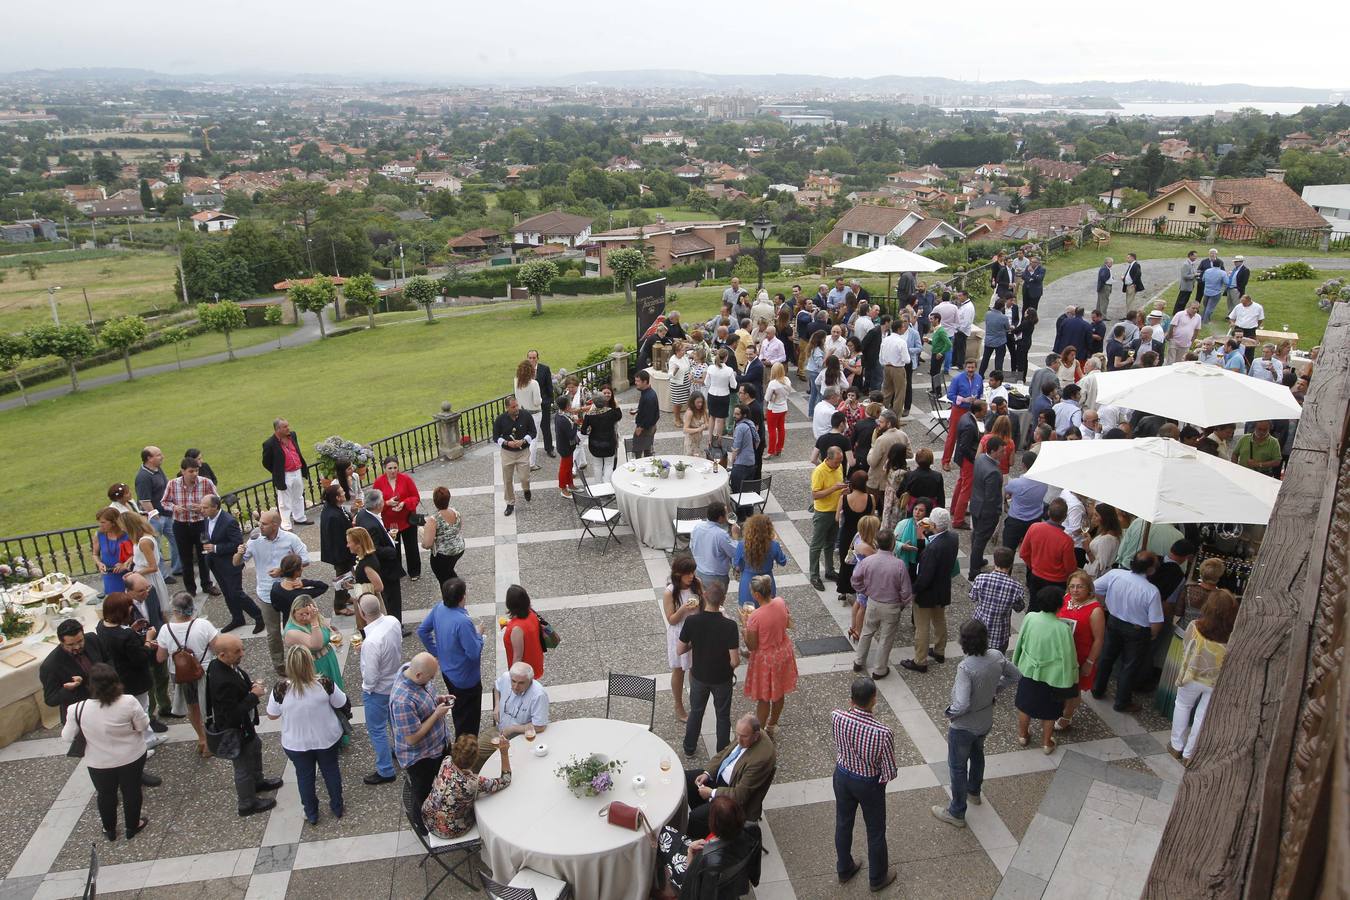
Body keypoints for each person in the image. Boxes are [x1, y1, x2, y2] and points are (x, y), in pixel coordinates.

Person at [932, 620, 1020, 828]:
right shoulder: (996, 656)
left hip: (964, 725)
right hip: (985, 719)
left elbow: (962, 703)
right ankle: (974, 792)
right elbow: (1015, 675)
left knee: (958, 767)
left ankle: (956, 811)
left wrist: (950, 713)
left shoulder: (966, 667)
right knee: (978, 753)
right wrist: (995, 690)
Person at [63, 663, 150, 841]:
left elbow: (67, 737)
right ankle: (132, 826)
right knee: (132, 791)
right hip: (131, 756)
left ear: (91, 685)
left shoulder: (76, 709)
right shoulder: (129, 701)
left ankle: (109, 829)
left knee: (105, 794)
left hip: (98, 762)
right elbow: (142, 725)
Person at [266, 645, 346, 826]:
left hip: (296, 743)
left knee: (304, 777)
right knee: (331, 771)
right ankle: (337, 806)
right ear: (310, 663)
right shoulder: (324, 683)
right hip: (327, 738)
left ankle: (311, 812)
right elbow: (341, 702)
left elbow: (272, 714)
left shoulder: (280, 689)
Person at [205, 633, 282, 817]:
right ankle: (247, 803)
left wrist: (249, 687)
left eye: (242, 648)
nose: (242, 653)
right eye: (237, 651)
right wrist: (253, 695)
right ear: (222, 655)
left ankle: (257, 782)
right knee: (243, 766)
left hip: (245, 727)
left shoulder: (220, 665)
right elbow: (231, 714)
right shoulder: (222, 680)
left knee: (255, 747)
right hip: (235, 731)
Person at [832, 677, 897, 890]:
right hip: (868, 783)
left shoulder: (837, 717)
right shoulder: (883, 733)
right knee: (875, 831)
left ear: (851, 700)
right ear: (874, 700)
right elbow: (889, 771)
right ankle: (877, 878)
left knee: (843, 822)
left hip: (842, 775)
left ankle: (844, 868)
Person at [235, 510, 311, 673]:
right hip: (266, 593)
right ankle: (279, 665)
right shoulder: (254, 541)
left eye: (264, 523)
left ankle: (299, 659)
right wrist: (240, 552)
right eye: (260, 522)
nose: (260, 526)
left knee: (295, 627)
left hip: (288, 591)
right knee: (273, 632)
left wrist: (282, 571)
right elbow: (236, 563)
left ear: (275, 525)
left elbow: (305, 559)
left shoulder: (290, 539)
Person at [1169, 590, 1237, 764]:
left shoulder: (1195, 626)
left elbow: (1186, 645)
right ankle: (1189, 754)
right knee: (1202, 716)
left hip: (1192, 675)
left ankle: (1177, 746)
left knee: (1183, 706)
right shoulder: (1234, 635)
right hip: (1216, 681)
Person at [1091, 553, 1165, 713]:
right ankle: (1122, 701)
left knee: (1106, 658)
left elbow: (1095, 587)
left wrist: (1103, 603)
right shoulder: (1151, 591)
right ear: (1151, 570)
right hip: (1137, 630)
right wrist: (1153, 634)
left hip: (1114, 621)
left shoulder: (1115, 574)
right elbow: (1156, 622)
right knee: (1129, 666)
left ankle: (1097, 689)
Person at [684, 714, 776, 838]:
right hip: (720, 780)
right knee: (686, 779)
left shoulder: (760, 759)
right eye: (737, 734)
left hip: (733, 799)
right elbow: (724, 753)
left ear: (756, 736)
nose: (738, 740)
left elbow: (740, 796)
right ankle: (710, 819)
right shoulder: (744, 735)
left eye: (743, 736)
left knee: (696, 817)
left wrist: (712, 793)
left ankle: (695, 846)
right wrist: (707, 773)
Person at [1011, 587, 1079, 754]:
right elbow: (1068, 657)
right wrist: (1073, 678)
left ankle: (1022, 735)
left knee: (1024, 705)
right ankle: (1047, 743)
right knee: (1049, 712)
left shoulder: (1030, 617)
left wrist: (1016, 661)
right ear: (1059, 605)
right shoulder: (1062, 629)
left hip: (1028, 669)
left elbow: (1020, 642)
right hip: (1052, 676)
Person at [676, 580, 740, 756]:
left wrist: (693, 645)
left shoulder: (692, 621)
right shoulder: (730, 626)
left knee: (696, 712)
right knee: (723, 716)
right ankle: (722, 752)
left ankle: (689, 748)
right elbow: (734, 660)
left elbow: (680, 649)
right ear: (723, 600)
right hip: (722, 678)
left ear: (704, 596)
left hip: (699, 677)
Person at [97, 592, 166, 754]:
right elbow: (140, 658)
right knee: (141, 711)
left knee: (137, 711)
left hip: (120, 677)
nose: (131, 609)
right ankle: (142, 745)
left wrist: (132, 630)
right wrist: (148, 640)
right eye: (129, 607)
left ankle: (148, 739)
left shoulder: (102, 626)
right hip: (136, 680)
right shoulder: (125, 635)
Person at [418, 578, 485, 738]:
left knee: (458, 710)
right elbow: (474, 653)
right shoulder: (463, 622)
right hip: (467, 679)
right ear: (463, 596)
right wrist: (479, 635)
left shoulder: (439, 608)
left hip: (448, 672)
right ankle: (465, 750)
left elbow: (422, 631)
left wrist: (437, 652)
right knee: (469, 720)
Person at [154, 591, 220, 756]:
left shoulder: (165, 629)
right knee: (209, 706)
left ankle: (202, 739)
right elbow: (217, 649)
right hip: (204, 671)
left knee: (193, 708)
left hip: (180, 674)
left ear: (175, 610)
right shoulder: (203, 625)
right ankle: (212, 738)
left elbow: (160, 657)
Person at [655, 794, 758, 898]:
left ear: (714, 823)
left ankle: (660, 884)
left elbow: (689, 882)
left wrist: (690, 852)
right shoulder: (753, 829)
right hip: (736, 882)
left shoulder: (706, 857)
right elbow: (755, 866)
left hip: (701, 885)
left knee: (664, 835)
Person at [390, 652, 453, 813]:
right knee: (423, 796)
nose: (432, 681)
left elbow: (424, 700)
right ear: (418, 675)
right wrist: (436, 714)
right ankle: (424, 825)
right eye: (430, 678)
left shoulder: (409, 670)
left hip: (438, 746)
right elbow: (412, 738)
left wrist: (438, 699)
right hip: (422, 758)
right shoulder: (402, 701)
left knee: (446, 784)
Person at [423, 732, 511, 840]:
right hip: (448, 830)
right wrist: (504, 753)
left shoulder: (446, 761)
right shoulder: (472, 783)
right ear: (474, 760)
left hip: (427, 816)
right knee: (488, 810)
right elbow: (506, 780)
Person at [851, 530, 914, 679]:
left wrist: (864, 591)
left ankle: (859, 661)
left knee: (867, 632)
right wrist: (902, 603)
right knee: (886, 638)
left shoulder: (868, 561)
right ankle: (879, 670)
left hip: (873, 602)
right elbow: (906, 590)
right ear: (892, 544)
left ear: (877, 544)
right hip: (892, 606)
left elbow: (855, 579)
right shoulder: (899, 564)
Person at [741, 575, 798, 738]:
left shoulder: (755, 617)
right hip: (783, 652)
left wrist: (745, 629)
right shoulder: (780, 601)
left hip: (766, 659)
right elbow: (786, 622)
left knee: (764, 698)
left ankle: (758, 734)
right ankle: (772, 724)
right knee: (778, 693)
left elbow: (752, 646)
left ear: (757, 595)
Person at [357, 593, 403, 787]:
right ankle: (401, 752)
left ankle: (385, 769)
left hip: (378, 690)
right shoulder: (392, 621)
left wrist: (366, 689)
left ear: (361, 612)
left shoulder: (371, 642)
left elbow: (371, 676)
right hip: (395, 681)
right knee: (395, 722)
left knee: (377, 730)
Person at [906, 508, 959, 673]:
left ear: (934, 525)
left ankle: (920, 661)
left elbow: (925, 577)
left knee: (922, 627)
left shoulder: (932, 550)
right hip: (942, 588)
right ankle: (939, 651)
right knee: (939, 620)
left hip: (927, 593)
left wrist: (913, 591)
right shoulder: (953, 537)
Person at [1055, 570, 1106, 732]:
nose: (1075, 590)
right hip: (1062, 653)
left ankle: (1067, 717)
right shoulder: (1067, 598)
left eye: (1080, 587)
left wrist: (1090, 662)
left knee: (1074, 689)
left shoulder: (1095, 610)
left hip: (1081, 655)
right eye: (1072, 586)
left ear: (1089, 588)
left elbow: (1099, 639)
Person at [160, 457, 217, 598]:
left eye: (196, 470)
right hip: (181, 525)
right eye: (191, 471)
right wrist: (174, 508)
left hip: (200, 524)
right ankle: (190, 589)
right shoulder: (173, 484)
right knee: (186, 559)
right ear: (183, 471)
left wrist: (202, 508)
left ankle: (207, 584)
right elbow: (164, 502)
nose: (194, 474)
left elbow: (216, 499)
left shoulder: (205, 483)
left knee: (204, 555)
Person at [663, 557, 703, 724]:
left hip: (695, 631)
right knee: (679, 670)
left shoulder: (697, 583)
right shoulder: (670, 591)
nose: (692, 576)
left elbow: (704, 605)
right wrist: (683, 608)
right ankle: (678, 705)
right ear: (678, 574)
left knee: (695, 669)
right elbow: (671, 619)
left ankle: (696, 703)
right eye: (688, 573)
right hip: (679, 633)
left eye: (693, 572)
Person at [283, 595, 345, 698]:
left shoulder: (316, 617)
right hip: (312, 666)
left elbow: (329, 631)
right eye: (301, 614)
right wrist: (314, 622)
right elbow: (316, 644)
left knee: (336, 692)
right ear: (293, 612)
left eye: (307, 613)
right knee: (323, 695)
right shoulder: (291, 632)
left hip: (329, 659)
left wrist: (335, 635)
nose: (305, 617)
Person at [970, 547, 1027, 653]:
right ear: (1011, 565)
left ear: (994, 561)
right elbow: (1019, 608)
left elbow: (973, 597)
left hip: (978, 628)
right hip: (1000, 634)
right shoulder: (1016, 587)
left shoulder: (981, 578)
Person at [374, 456, 421, 582]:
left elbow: (415, 497)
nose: (393, 471)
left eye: (395, 468)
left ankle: (414, 571)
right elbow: (374, 504)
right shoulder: (379, 482)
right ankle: (397, 571)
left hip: (407, 519)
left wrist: (404, 503)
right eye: (390, 468)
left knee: (411, 547)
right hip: (390, 522)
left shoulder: (406, 479)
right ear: (384, 469)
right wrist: (387, 503)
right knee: (394, 548)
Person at [1020, 497, 1078, 598]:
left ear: (1048, 512)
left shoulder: (1034, 527)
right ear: (1064, 517)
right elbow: (1070, 568)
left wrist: (1033, 566)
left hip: (1036, 576)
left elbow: (1023, 553)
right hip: (1057, 583)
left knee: (1033, 605)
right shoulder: (1067, 541)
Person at [834, 470, 877, 603]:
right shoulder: (870, 498)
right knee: (861, 563)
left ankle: (843, 590)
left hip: (847, 534)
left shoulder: (844, 498)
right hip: (863, 534)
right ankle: (858, 588)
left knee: (845, 562)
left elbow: (837, 518)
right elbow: (872, 517)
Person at [808, 446, 847, 591]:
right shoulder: (819, 471)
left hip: (836, 511)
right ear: (828, 458)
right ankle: (814, 575)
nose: (839, 464)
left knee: (830, 543)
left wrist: (844, 491)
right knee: (816, 545)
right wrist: (834, 489)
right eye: (836, 462)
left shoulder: (840, 466)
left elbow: (838, 486)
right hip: (823, 512)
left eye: (840, 461)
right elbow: (815, 495)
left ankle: (829, 571)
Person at [135, 445, 176, 580]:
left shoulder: (157, 468)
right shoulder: (143, 477)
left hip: (166, 513)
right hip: (155, 517)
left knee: (175, 539)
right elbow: (144, 500)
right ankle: (163, 575)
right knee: (155, 547)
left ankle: (178, 568)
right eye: (158, 455)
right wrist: (154, 514)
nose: (162, 456)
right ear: (149, 458)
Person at [261, 418, 310, 530]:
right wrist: (277, 471)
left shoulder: (292, 435)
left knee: (298, 496)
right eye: (285, 427)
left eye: (288, 426)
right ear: (278, 429)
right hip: (285, 474)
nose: (288, 428)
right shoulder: (269, 443)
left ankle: (300, 518)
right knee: (284, 501)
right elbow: (266, 462)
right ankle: (286, 524)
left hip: (297, 470)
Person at [967, 435, 1006, 579]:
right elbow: (991, 498)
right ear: (993, 451)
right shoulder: (994, 472)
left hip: (976, 504)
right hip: (986, 511)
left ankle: (976, 560)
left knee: (977, 535)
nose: (1004, 454)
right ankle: (974, 570)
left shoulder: (981, 458)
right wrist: (996, 512)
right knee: (981, 539)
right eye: (1002, 451)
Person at [493, 396, 536, 517]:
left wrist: (523, 441)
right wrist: (507, 443)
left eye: (517, 405)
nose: (516, 408)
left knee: (524, 477)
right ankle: (510, 503)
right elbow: (495, 437)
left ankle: (526, 488)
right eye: (513, 407)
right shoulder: (500, 419)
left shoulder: (526, 415)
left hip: (523, 452)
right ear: (507, 408)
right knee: (507, 480)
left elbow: (533, 432)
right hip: (508, 454)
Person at [317, 484, 355, 616]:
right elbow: (338, 540)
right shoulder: (333, 516)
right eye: (342, 492)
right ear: (337, 498)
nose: (345, 493)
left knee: (345, 576)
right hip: (340, 554)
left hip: (340, 552)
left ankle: (345, 596)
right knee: (342, 579)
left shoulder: (333, 509)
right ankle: (339, 605)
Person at [950, 399, 987, 528]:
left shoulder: (965, 417)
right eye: (984, 410)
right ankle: (958, 520)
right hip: (968, 461)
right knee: (966, 490)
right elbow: (965, 447)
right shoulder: (970, 426)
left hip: (963, 458)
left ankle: (955, 509)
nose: (986, 412)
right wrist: (976, 458)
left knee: (961, 484)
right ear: (977, 411)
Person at [420, 486, 466, 586]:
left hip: (443, 555)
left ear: (434, 501)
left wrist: (423, 537)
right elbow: (458, 528)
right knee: (449, 573)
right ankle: (458, 590)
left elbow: (427, 544)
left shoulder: (433, 520)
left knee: (444, 580)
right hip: (459, 549)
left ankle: (452, 597)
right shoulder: (455, 512)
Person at [942, 359, 982, 470]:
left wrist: (977, 400)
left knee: (971, 435)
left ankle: (966, 459)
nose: (970, 370)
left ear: (975, 368)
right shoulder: (957, 379)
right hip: (958, 410)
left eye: (972, 367)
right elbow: (950, 395)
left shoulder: (979, 378)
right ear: (965, 367)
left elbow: (980, 393)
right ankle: (945, 461)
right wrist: (964, 399)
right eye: (968, 367)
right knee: (952, 436)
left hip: (972, 411)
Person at [690, 501, 739, 591]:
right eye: (726, 513)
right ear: (720, 518)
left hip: (699, 572)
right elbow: (735, 552)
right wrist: (735, 535)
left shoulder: (697, 527)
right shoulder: (721, 534)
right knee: (716, 604)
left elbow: (692, 547)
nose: (727, 515)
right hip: (716, 578)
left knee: (703, 601)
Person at [346, 526, 387, 629]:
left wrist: (360, 588)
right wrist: (353, 586)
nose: (347, 545)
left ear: (358, 544)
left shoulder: (367, 565)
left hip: (369, 604)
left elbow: (379, 587)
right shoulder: (362, 557)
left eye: (349, 542)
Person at [269, 552, 329, 623]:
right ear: (296, 572)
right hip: (302, 624)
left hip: (288, 623)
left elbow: (276, 608)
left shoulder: (275, 587)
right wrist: (305, 582)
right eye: (301, 567)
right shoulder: (301, 595)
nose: (302, 568)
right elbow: (324, 587)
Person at [501, 584, 544, 679]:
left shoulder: (516, 629)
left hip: (523, 675)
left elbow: (518, 657)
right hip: (534, 664)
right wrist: (509, 624)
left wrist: (512, 680)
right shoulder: (531, 614)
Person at [581, 384, 623, 479]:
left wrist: (590, 430)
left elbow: (583, 431)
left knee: (597, 466)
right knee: (609, 465)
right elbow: (619, 415)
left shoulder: (589, 415)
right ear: (604, 401)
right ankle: (607, 486)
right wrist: (615, 402)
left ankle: (598, 486)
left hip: (594, 444)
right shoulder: (611, 413)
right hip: (609, 443)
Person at [94, 507, 133, 595]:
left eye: (103, 522)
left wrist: (124, 564)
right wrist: (99, 564)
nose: (100, 525)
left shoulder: (127, 534)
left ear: (113, 522)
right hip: (109, 576)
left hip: (127, 574)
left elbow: (136, 554)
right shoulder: (99, 534)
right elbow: (95, 554)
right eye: (99, 522)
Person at [527, 348, 556, 460]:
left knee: (545, 427)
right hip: (529, 406)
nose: (532, 360)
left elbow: (549, 387)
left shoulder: (544, 369)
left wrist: (549, 402)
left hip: (543, 404)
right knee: (529, 429)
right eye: (530, 358)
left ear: (537, 358)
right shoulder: (524, 370)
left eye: (534, 358)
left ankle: (549, 448)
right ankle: (528, 451)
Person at [900, 447, 945, 514]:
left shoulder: (910, 475)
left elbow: (900, 492)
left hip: (914, 507)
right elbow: (940, 495)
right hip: (930, 508)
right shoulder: (937, 476)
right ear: (931, 460)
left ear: (916, 460)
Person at [1083, 502, 1122, 578]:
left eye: (1096, 515)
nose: (1093, 517)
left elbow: (1100, 567)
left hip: (1095, 576)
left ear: (1105, 518)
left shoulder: (1107, 539)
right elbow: (1099, 552)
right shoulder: (1106, 533)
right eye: (1094, 514)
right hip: (1091, 571)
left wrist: (1087, 549)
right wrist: (1090, 541)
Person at [630, 369, 661, 459]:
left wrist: (640, 427)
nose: (636, 383)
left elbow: (649, 416)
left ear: (645, 382)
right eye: (635, 380)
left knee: (639, 452)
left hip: (645, 429)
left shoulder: (648, 397)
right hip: (649, 427)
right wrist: (638, 410)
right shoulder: (648, 393)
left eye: (638, 381)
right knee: (647, 450)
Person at [763, 363, 790, 457]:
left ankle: (771, 451)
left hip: (773, 409)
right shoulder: (787, 380)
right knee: (781, 428)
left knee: (772, 430)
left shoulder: (773, 383)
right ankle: (779, 448)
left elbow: (767, 398)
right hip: (783, 407)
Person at [980, 299, 1010, 376]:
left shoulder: (988, 314)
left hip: (988, 340)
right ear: (1002, 307)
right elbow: (1007, 328)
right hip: (1000, 341)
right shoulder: (1004, 318)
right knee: (999, 361)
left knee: (985, 359)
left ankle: (981, 374)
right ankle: (998, 377)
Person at [681, 391, 710, 459]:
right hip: (690, 441)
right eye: (698, 402)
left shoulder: (703, 411)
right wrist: (698, 429)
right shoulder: (690, 413)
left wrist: (704, 426)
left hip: (698, 441)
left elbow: (707, 423)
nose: (700, 404)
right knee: (690, 460)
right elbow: (685, 429)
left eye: (701, 402)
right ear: (693, 402)